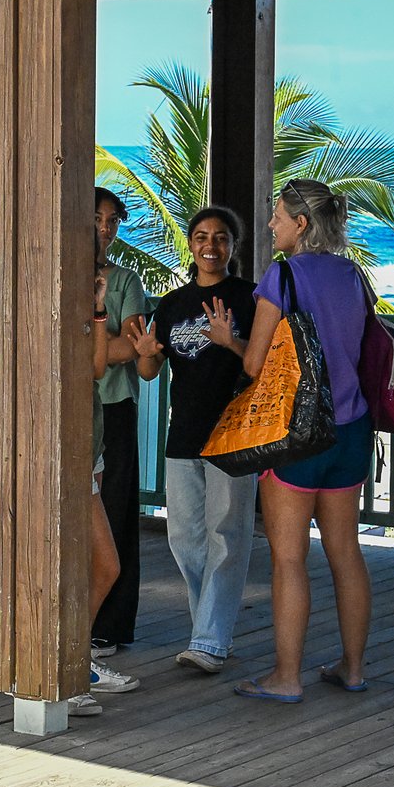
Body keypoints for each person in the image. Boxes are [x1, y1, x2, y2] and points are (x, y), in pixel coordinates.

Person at [232, 179, 372, 704]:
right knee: (346, 554)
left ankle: (286, 677)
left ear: (301, 223)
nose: (271, 224)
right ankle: (352, 668)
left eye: (277, 215)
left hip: (296, 431)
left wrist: (226, 340)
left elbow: (255, 364)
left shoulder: (283, 275)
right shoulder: (352, 275)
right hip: (350, 429)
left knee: (289, 558)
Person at [127, 207, 257, 674]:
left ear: (232, 246)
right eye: (201, 237)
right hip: (183, 433)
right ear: (190, 243)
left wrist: (231, 341)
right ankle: (210, 632)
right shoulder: (172, 304)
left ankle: (209, 641)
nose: (210, 246)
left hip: (235, 434)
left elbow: (265, 363)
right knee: (184, 539)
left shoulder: (250, 298)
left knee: (227, 536)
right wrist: (145, 354)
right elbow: (149, 371)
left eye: (220, 237)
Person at [69, 244, 144, 717]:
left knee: (103, 566)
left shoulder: (83, 313)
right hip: (65, 455)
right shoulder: (52, 313)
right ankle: (65, 668)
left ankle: (75, 662)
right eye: (94, 271)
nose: (101, 277)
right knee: (91, 566)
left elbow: (95, 368)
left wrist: (98, 309)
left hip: (87, 451)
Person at [90, 188, 148, 659]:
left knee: (116, 512)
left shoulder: (127, 279)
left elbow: (133, 347)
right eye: (97, 219)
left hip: (115, 405)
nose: (105, 228)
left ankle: (110, 626)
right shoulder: (67, 276)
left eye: (112, 220)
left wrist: (87, 347)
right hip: (78, 409)